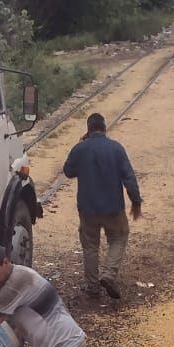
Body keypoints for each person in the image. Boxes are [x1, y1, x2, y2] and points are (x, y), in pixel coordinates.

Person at [62, 112, 142, 300]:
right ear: (105, 128)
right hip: (113, 207)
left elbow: (68, 171)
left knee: (90, 246)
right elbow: (129, 178)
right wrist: (136, 201)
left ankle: (92, 286)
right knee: (119, 237)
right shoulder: (116, 149)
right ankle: (108, 274)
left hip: (87, 208)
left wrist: (81, 146)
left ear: (88, 130)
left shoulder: (80, 149)